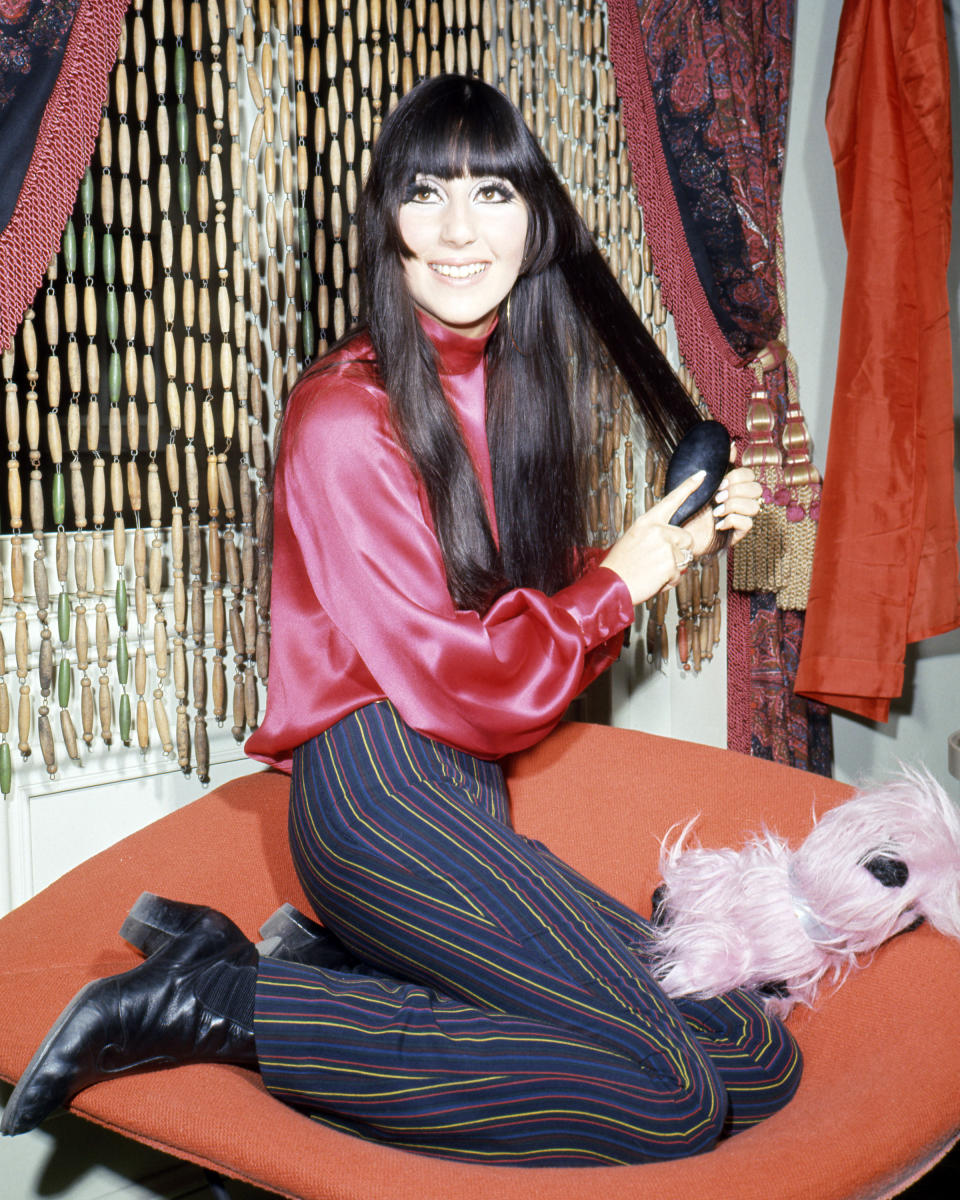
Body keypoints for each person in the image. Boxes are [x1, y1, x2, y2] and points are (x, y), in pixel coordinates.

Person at [1, 75, 800, 1164]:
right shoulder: (343, 412)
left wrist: (667, 548)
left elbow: (505, 607)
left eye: (494, 195)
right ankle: (217, 1006)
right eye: (427, 195)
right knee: (671, 1097)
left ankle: (322, 976)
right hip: (378, 803)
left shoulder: (516, 388)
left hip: (461, 799)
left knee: (752, 1051)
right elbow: (458, 674)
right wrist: (620, 579)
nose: (462, 231)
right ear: (388, 223)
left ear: (538, 218)